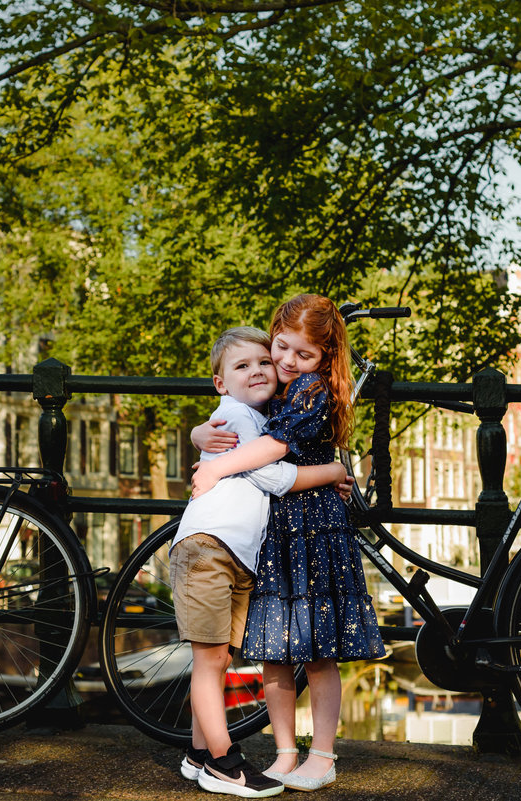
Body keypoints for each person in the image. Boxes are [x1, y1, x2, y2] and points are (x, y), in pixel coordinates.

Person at [191, 295, 386, 793]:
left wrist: (213, 466)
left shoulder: (310, 390)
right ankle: (284, 751)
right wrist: (200, 435)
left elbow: (273, 450)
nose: (286, 362)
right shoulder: (273, 381)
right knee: (275, 648)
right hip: (275, 530)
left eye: (304, 355)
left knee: (318, 650)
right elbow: (234, 409)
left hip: (315, 527)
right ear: (273, 335)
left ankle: (322, 754)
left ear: (325, 359)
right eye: (281, 348)